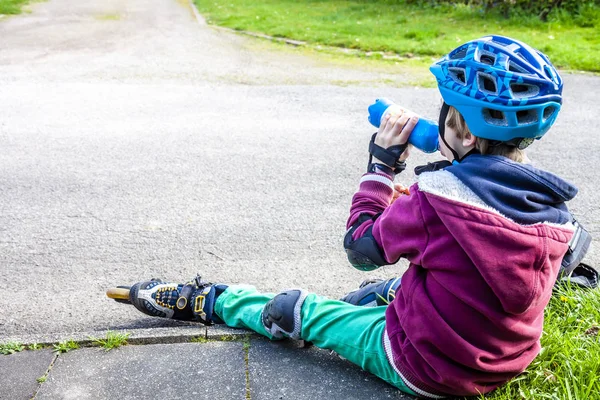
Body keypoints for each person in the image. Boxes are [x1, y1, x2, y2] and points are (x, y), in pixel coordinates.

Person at [111, 35, 579, 398]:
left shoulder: (435, 204)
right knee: (381, 292)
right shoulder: (552, 209)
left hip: (425, 363)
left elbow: (359, 247)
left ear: (466, 133)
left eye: (446, 112)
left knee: (296, 308)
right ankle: (366, 306)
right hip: (504, 358)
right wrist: (415, 203)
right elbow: (471, 244)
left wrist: (380, 168)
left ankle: (210, 300)